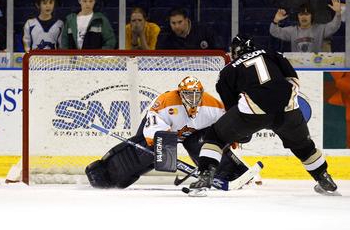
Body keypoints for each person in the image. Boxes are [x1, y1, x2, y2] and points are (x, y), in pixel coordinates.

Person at [188, 35, 339, 196]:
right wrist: (284, 100)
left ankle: (205, 176)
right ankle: (324, 177)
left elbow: (232, 106)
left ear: (235, 52)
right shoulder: (273, 54)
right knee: (304, 146)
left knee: (215, 136)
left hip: (253, 112)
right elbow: (293, 78)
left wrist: (238, 132)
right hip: (288, 109)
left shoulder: (228, 71)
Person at [85, 76, 251, 189]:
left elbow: (225, 128)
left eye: (196, 94)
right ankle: (106, 175)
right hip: (163, 132)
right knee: (146, 152)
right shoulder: (165, 102)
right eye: (188, 94)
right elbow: (152, 127)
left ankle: (234, 173)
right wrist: (162, 146)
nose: (192, 99)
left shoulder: (213, 106)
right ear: (179, 93)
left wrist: (231, 138)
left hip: (192, 135)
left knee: (204, 143)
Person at [270, 0, 342, 52]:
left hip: (316, 65)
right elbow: (274, 32)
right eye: (301, 14)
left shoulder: (320, 29)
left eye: (306, 14)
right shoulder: (292, 31)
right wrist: (275, 20)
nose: (303, 17)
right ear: (298, 16)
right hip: (297, 66)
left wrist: (338, 13)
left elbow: (334, 26)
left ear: (312, 16)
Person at [156, 8, 220, 50]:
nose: (177, 26)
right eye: (173, 23)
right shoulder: (164, 35)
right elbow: (159, 56)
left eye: (180, 22)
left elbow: (219, 52)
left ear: (186, 20)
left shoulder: (204, 31)